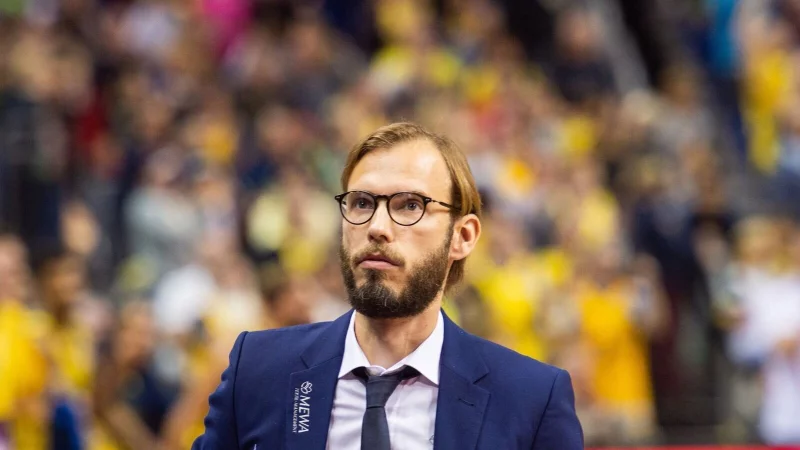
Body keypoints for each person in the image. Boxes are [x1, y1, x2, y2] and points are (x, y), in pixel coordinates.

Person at [192, 122, 583, 449]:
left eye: (410, 205)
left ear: (462, 236)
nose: (377, 227)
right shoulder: (258, 369)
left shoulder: (531, 399)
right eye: (362, 203)